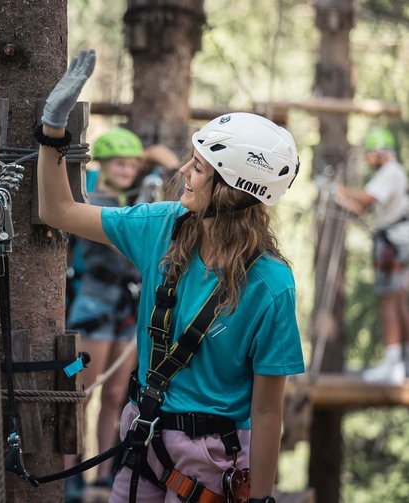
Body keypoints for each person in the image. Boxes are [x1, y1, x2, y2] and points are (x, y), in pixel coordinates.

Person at [36, 49, 304, 503]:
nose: (183, 171)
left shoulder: (271, 285)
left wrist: (260, 497)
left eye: (198, 167)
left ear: (230, 190)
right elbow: (57, 211)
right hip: (144, 449)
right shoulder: (160, 227)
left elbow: (266, 409)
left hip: (213, 468)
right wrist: (52, 133)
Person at [65, 127, 143, 498]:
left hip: (126, 313)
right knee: (79, 387)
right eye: (120, 163)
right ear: (106, 165)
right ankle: (71, 470)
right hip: (92, 308)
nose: (126, 170)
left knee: (115, 395)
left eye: (132, 165)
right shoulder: (92, 198)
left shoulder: (133, 201)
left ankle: (102, 474)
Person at [336, 126, 409, 384]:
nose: (368, 159)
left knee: (388, 300)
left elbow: (365, 199)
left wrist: (341, 190)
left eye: (370, 154)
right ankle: (401, 360)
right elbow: (360, 208)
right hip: (397, 240)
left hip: (393, 243)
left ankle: (393, 365)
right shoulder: (391, 174)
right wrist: (340, 199)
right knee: (397, 299)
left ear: (380, 152)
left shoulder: (390, 172)